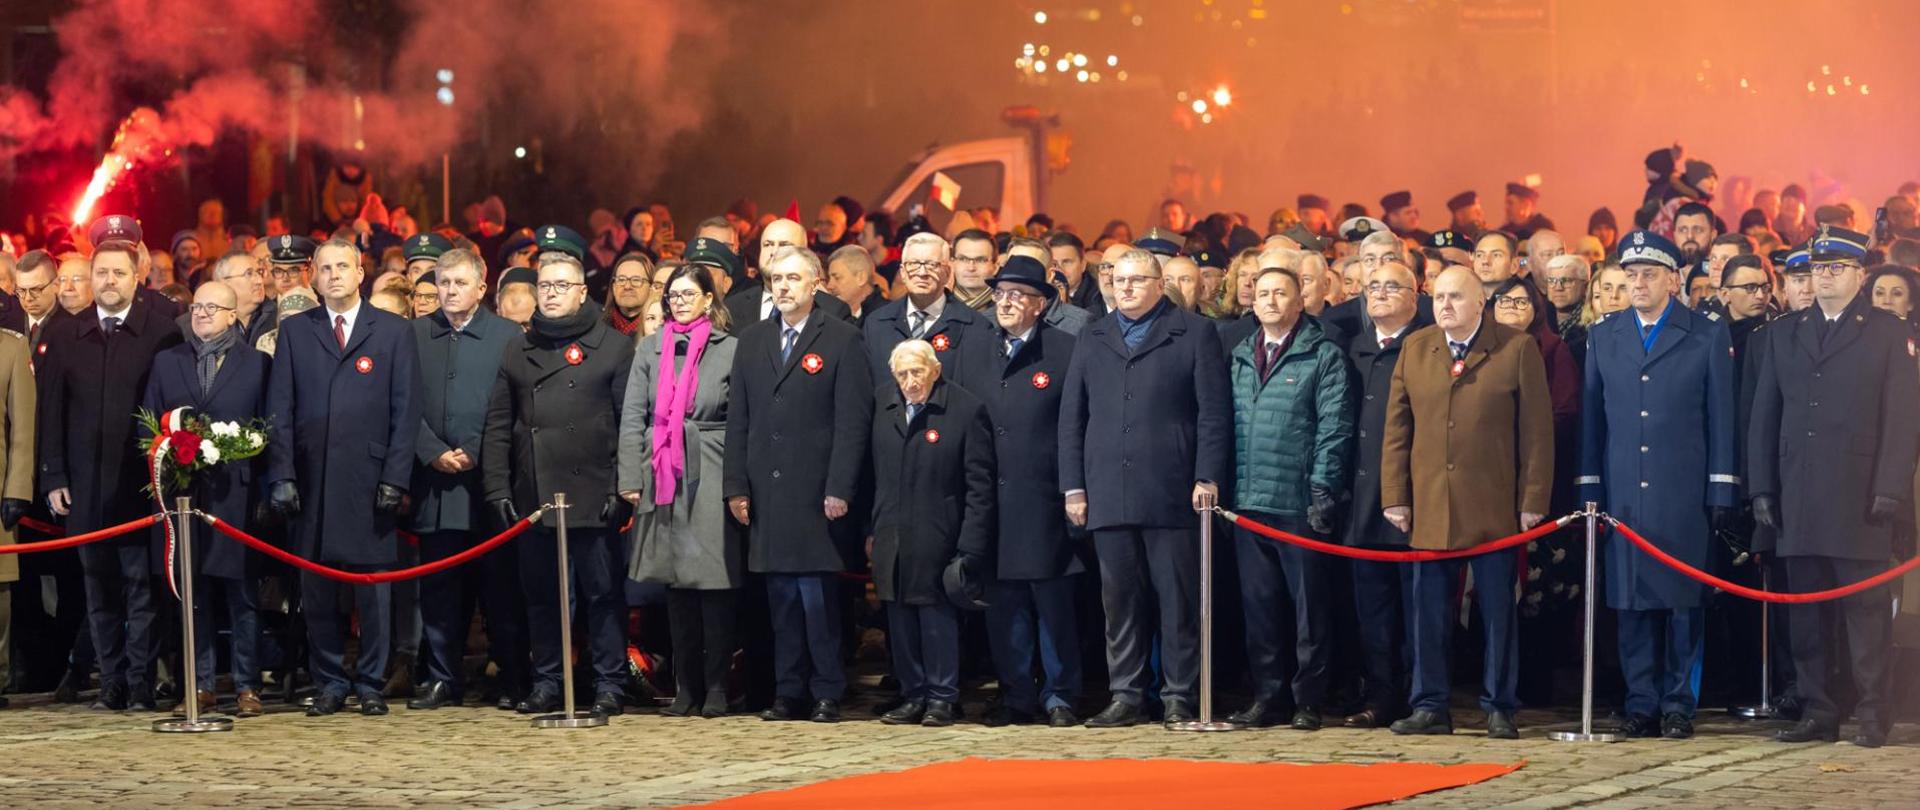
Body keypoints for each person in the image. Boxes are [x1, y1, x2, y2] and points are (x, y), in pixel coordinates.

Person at [1749, 226, 1920, 748]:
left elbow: (1902, 418)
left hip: (1861, 495)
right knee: (1805, 614)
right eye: (1817, 268)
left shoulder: (1887, 332)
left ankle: (1873, 710)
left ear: (1860, 275)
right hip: (1797, 492)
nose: (1824, 276)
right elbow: (1764, 416)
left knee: (1866, 615)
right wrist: (1762, 488)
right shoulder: (1785, 331)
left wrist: (1890, 487)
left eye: (1836, 268)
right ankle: (1818, 711)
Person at [1059, 247, 1232, 727]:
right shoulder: (1092, 335)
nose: (1126, 288)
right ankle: (1126, 694)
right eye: (1118, 280)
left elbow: (1213, 414)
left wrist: (1206, 476)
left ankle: (1179, 693)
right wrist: (1073, 486)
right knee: (1120, 602)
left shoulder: (1195, 333)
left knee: (1177, 600)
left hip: (1172, 487)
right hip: (1107, 487)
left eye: (1137, 280)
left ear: (1159, 284)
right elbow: (1073, 416)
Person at [1577, 230, 1738, 740]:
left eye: (1649, 274)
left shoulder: (1705, 334)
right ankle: (1641, 703)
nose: (1639, 283)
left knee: (1683, 604)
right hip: (1623, 490)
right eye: (1631, 274)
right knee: (1630, 602)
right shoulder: (1605, 335)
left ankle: (1678, 705)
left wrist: (1720, 489)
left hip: (1682, 490)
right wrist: (1590, 488)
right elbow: (1592, 423)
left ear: (1673, 278)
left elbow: (1721, 418)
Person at [1380, 266, 1553, 739]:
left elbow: (1537, 434)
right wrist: (1395, 496)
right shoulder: (1416, 348)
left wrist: (1533, 498)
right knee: (1428, 612)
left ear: (1482, 303)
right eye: (1438, 298)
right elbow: (1396, 430)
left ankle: (1499, 704)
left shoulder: (1516, 348)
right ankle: (1430, 704)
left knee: (1498, 611)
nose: (1445, 306)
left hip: (1495, 505)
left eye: (1456, 297)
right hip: (1431, 503)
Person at [482, 228, 636, 717]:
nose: (549, 294)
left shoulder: (612, 347)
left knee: (602, 594)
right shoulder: (518, 348)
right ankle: (548, 679)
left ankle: (610, 682)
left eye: (560, 286)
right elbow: (499, 425)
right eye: (544, 286)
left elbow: (629, 424)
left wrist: (622, 488)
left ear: (581, 291)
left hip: (593, 489)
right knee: (542, 594)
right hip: (536, 492)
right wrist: (497, 488)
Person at [265, 237, 421, 717]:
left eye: (342, 267)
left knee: (373, 589)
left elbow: (405, 409)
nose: (333, 275)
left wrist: (396, 476)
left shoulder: (393, 332)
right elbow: (281, 409)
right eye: (325, 268)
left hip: (370, 479)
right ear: (314, 276)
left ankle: (371, 681)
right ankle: (330, 680)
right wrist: (282, 473)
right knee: (317, 590)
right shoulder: (296, 331)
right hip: (312, 481)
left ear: (361, 273)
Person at [722, 246, 872, 723]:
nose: (783, 287)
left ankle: (827, 689)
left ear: (815, 285)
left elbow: (853, 422)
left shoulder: (842, 339)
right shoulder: (752, 340)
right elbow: (738, 420)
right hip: (768, 490)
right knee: (780, 600)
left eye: (792, 278)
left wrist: (840, 487)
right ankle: (789, 691)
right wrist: (736, 486)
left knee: (819, 601)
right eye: (775, 279)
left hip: (817, 493)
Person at [38, 235, 183, 712]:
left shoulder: (162, 331)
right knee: (97, 590)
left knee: (143, 591)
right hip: (83, 487)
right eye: (101, 272)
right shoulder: (65, 334)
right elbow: (51, 411)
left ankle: (141, 683)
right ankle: (112, 683)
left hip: (140, 489)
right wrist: (54, 475)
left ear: (137, 277)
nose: (109, 281)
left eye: (119, 273)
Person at [953, 252, 1084, 728]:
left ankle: (1060, 696)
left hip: (1045, 498)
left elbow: (1076, 426)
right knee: (1003, 605)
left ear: (1039, 304)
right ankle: (1015, 695)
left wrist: (1073, 490)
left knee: (1052, 606)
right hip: (989, 499)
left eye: (1017, 295)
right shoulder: (974, 349)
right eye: (1001, 294)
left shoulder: (1066, 350)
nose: (1005, 303)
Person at [1225, 264, 1354, 731]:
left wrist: (1322, 489)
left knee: (1309, 611)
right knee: (1259, 607)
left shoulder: (1322, 355)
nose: (1271, 302)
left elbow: (1334, 428)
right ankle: (1269, 696)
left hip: (1298, 503)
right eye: (1263, 294)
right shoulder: (1239, 354)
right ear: (1251, 302)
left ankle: (1308, 699)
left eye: (1281, 293)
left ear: (1301, 301)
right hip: (1248, 503)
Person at [140, 280, 270, 718]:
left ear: (234, 315)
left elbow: (268, 428)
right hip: (184, 497)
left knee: (241, 595)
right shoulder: (167, 362)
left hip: (236, 496)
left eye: (213, 307)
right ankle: (201, 684)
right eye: (197, 306)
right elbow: (148, 425)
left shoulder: (257, 365)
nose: (202, 314)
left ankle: (248, 685)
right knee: (193, 594)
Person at [619, 264, 742, 718]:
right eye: (673, 295)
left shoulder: (731, 348)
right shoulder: (651, 349)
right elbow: (634, 414)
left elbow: (741, 418)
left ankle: (715, 688)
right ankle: (684, 687)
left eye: (689, 294)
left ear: (710, 299)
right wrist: (631, 477)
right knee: (677, 586)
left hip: (710, 463)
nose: (680, 301)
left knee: (713, 583)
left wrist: (736, 482)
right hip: (662, 470)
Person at [406, 248, 525, 711]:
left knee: (501, 590)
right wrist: (430, 449)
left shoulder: (507, 335)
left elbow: (515, 406)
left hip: (489, 482)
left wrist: (478, 451)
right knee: (440, 590)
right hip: (435, 484)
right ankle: (443, 677)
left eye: (459, 283)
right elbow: (401, 401)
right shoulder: (415, 333)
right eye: (443, 283)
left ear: (481, 286)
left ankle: (514, 676)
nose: (450, 291)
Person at [868, 339, 995, 727]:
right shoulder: (883, 405)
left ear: (935, 370)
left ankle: (942, 696)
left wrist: (970, 543)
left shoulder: (965, 409)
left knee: (936, 619)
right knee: (900, 618)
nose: (910, 382)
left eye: (917, 372)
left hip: (941, 535)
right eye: (902, 374)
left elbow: (980, 486)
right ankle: (913, 693)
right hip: (891, 532)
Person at [1341, 258, 1431, 729]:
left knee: (1416, 610)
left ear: (1415, 297)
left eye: (1391, 286)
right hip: (1360, 499)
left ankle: (1423, 696)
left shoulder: (1428, 346)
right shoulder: (1352, 347)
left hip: (1412, 500)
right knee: (1371, 610)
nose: (1378, 293)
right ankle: (1380, 694)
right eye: (1372, 286)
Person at [862, 232, 990, 381]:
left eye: (932, 265)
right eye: (914, 264)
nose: (922, 273)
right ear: (903, 272)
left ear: (947, 273)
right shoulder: (877, 324)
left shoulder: (975, 326)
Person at [725, 221, 852, 330]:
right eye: (768, 244)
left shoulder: (833, 310)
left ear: (804, 253)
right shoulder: (732, 307)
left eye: (784, 245)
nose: (773, 252)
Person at [0, 325, 32, 711]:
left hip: (0, 487)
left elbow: (23, 428)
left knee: (0, 589)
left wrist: (18, 487)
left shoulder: (10, 347)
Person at [209, 251, 276, 344]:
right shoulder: (205, 322)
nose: (259, 281)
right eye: (249, 274)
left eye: (259, 272)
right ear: (224, 283)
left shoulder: (279, 318)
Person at [604, 252, 655, 336]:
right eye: (621, 280)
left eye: (636, 280)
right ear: (613, 287)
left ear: (651, 288)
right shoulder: (597, 326)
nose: (627, 286)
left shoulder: (657, 331)